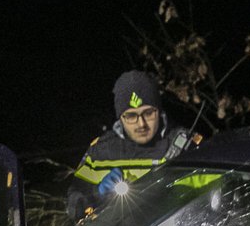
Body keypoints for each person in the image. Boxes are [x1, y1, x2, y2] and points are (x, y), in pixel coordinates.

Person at [67, 70, 199, 218]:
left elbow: (214, 188)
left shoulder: (184, 146)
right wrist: (97, 194)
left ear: (159, 111)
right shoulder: (100, 153)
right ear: (120, 118)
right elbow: (74, 207)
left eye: (148, 113)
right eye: (131, 116)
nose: (141, 124)